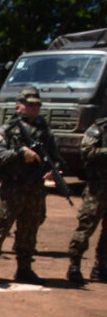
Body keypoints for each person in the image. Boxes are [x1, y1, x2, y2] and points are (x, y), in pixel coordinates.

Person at [0, 87, 60, 285]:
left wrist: (53, 170)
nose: (34, 108)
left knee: (29, 229)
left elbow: (55, 158)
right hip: (12, 189)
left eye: (36, 105)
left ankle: (24, 269)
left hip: (35, 188)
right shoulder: (7, 130)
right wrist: (19, 153)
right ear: (18, 106)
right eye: (29, 104)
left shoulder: (45, 132)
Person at [66, 116, 107, 284]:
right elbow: (86, 151)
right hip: (98, 188)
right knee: (86, 227)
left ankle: (100, 267)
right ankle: (74, 266)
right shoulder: (100, 128)